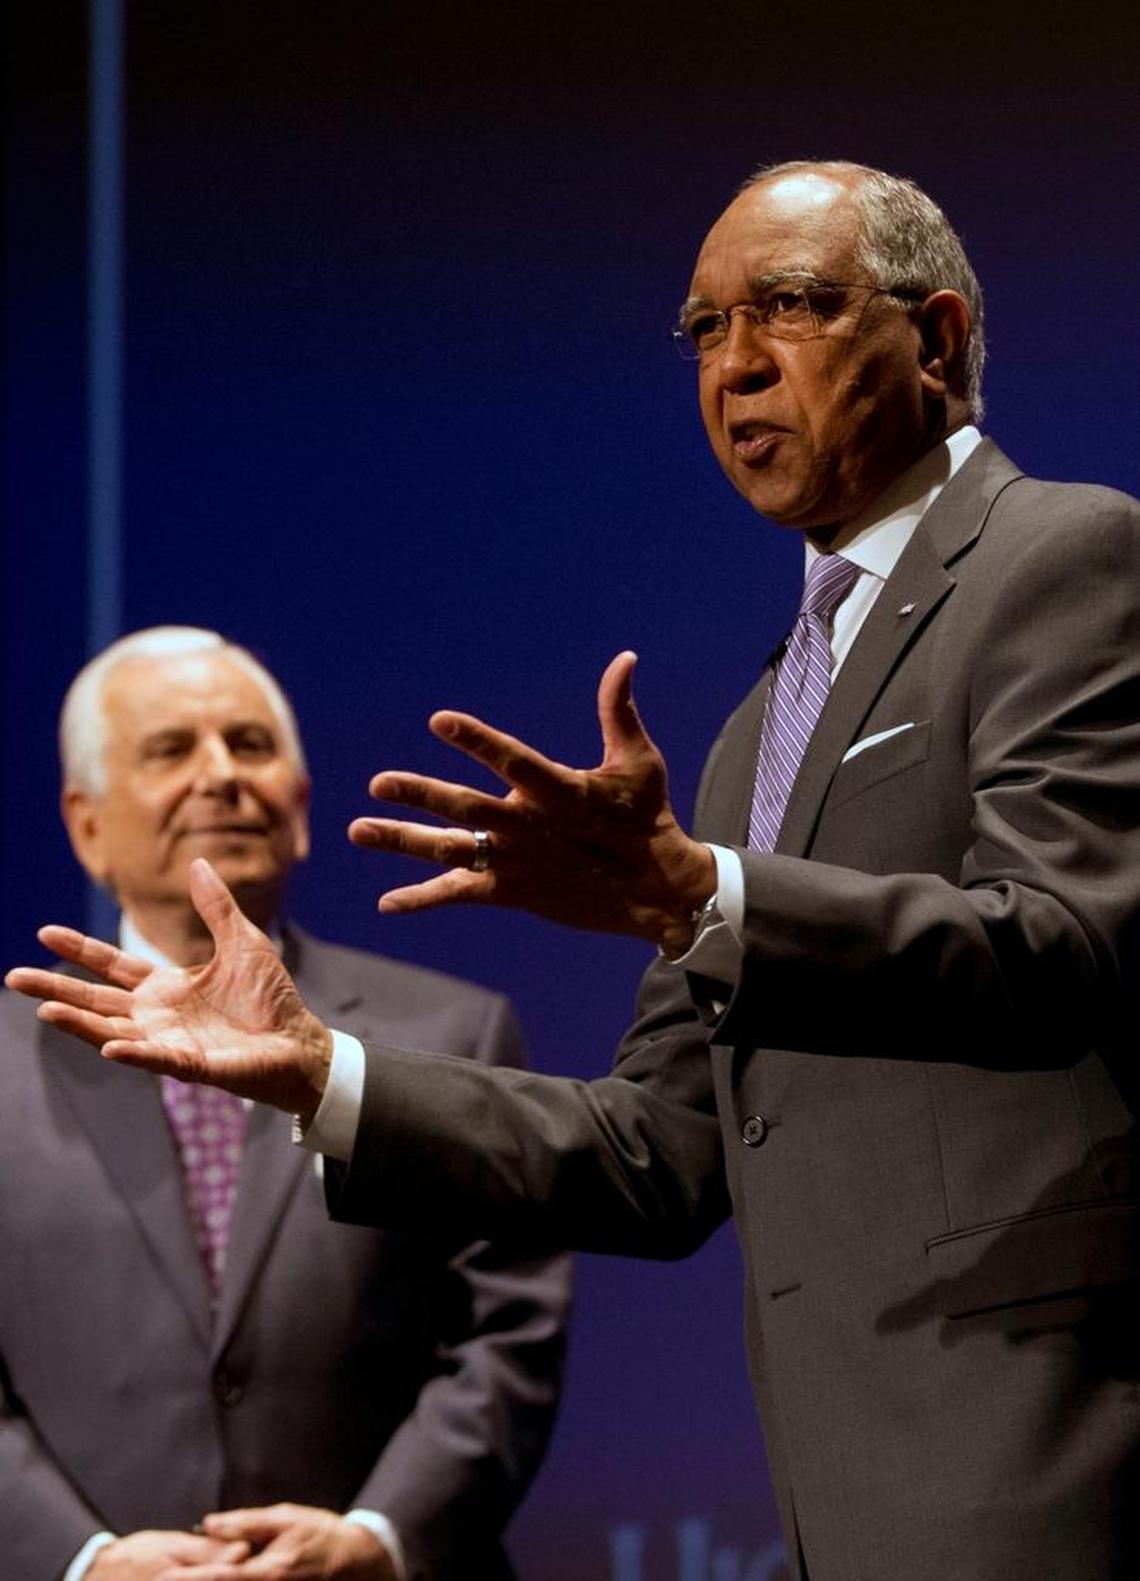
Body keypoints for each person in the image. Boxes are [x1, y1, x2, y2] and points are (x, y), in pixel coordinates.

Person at [10, 161, 1140, 1579]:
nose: (735, 367)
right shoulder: (753, 731)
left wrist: (696, 894)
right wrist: (322, 1077)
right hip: (840, 1497)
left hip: (1043, 1449)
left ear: (939, 337)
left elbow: (1061, 945)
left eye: (786, 307)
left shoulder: (1067, 559)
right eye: (704, 331)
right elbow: (657, 1156)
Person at [0, 627, 570, 1581]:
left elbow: (506, 1336)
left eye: (251, 745)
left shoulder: (451, 1034)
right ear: (86, 824)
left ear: (301, 808)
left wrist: (378, 1537)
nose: (221, 776)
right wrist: (84, 1560)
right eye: (171, 750)